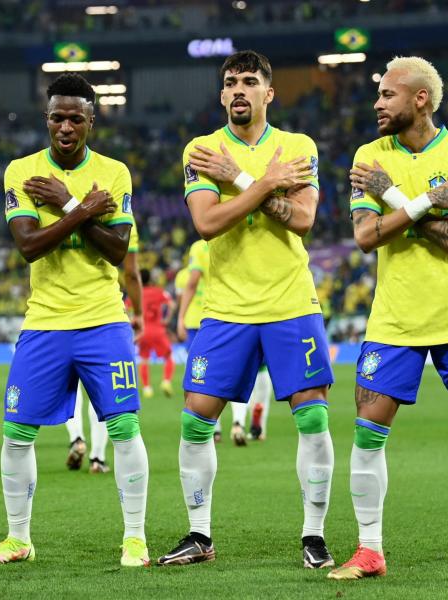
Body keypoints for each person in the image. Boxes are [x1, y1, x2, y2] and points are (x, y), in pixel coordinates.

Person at [329, 56, 448, 584]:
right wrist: (429, 201)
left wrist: (393, 197)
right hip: (394, 320)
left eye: (387, 94)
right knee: (366, 436)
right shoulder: (369, 155)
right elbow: (366, 237)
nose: (377, 103)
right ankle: (369, 550)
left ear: (420, 100)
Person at [156, 50, 335, 568]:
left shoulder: (297, 147)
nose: (239, 89)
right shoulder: (202, 149)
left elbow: (301, 219)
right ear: (221, 94)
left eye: (249, 82)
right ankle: (199, 533)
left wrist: (236, 180)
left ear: (268, 93)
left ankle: (314, 535)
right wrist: (261, 184)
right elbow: (207, 224)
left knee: (313, 416)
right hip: (226, 308)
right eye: (230, 82)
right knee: (196, 420)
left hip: (289, 303)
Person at [0, 73, 150, 568]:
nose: (66, 126)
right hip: (45, 322)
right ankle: (18, 539)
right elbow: (29, 246)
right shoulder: (22, 172)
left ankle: (134, 539)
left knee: (124, 428)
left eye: (77, 117)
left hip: (103, 320)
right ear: (45, 119)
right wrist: (81, 209)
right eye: (58, 117)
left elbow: (117, 251)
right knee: (16, 433)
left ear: (92, 120)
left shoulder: (115, 172)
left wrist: (65, 205)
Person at [63, 223, 143, 475]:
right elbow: (130, 272)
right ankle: (97, 457)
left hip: (58, 314)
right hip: (101, 315)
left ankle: (76, 438)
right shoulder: (120, 217)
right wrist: (139, 313)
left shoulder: (49, 208)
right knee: (101, 393)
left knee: (71, 388)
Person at [175, 239, 251, 445]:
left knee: (201, 381)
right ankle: (238, 423)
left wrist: (180, 318)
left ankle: (213, 428)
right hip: (239, 317)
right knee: (238, 374)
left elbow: (192, 282)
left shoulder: (200, 246)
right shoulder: (243, 238)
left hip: (202, 320)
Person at [136, 269, 175, 398]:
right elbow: (172, 305)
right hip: (158, 330)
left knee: (144, 360)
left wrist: (134, 325)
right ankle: (166, 381)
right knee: (168, 357)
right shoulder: (158, 291)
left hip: (143, 332)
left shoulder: (137, 293)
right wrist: (167, 319)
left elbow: (127, 308)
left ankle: (147, 388)